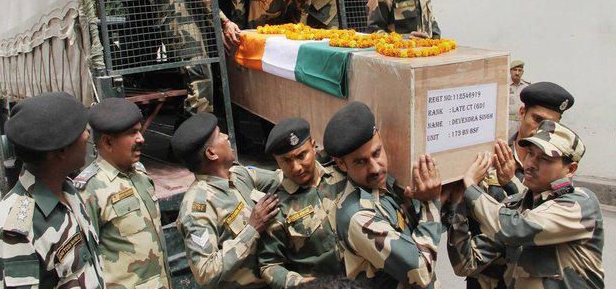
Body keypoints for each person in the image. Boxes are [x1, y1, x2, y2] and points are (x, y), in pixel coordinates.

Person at [447, 120, 604, 288]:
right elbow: (466, 264)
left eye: (544, 159)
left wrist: (471, 188)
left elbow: (516, 228)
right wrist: (459, 200)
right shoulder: (516, 207)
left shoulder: (580, 204)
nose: (531, 164)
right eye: (530, 153)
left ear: (571, 169)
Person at [0, 92, 104, 288]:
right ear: (61, 151)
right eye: (82, 131)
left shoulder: (68, 191)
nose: (87, 135)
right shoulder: (15, 236)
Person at [323, 101, 442, 288]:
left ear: (380, 138)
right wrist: (430, 202)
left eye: (376, 153)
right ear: (341, 164)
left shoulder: (388, 184)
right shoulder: (357, 216)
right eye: (360, 162)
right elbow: (421, 271)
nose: (375, 168)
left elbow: (429, 233)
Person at [173, 113, 281, 289]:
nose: (226, 137)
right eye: (220, 134)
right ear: (211, 153)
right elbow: (206, 271)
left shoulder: (238, 174)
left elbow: (282, 178)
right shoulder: (198, 207)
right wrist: (252, 229)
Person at [74, 98, 171, 288]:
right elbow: (84, 264)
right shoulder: (89, 190)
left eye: (139, 131)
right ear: (108, 142)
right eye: (132, 133)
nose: (141, 138)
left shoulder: (140, 173)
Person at [258, 118, 346, 288]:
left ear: (313, 147)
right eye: (286, 160)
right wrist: (301, 283)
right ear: (277, 162)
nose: (297, 167)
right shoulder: (277, 207)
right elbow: (269, 265)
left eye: (301, 156)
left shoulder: (342, 175)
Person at [507, 60, 530, 138]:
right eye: (515, 70)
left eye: (519, 70)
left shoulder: (526, 87)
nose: (517, 73)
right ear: (510, 71)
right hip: (508, 122)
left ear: (522, 72)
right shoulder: (504, 85)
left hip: (522, 122)